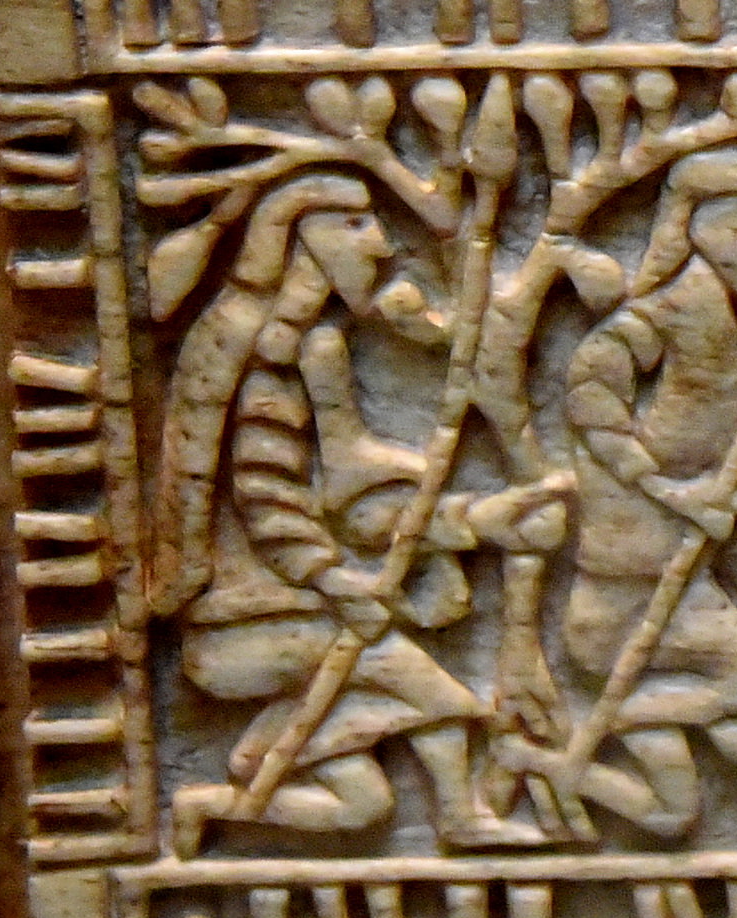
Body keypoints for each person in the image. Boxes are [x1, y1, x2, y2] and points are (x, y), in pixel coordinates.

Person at [160, 175, 563, 856]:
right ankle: (460, 818)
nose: (378, 245)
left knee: (364, 806)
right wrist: (336, 580)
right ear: (302, 241)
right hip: (251, 618)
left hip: (299, 606)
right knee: (429, 691)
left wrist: (468, 517)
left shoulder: (311, 347)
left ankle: (215, 799)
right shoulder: (262, 359)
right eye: (353, 225)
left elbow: (349, 483)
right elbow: (266, 495)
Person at [496, 150, 737, 844]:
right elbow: (592, 398)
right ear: (718, 227)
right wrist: (675, 494)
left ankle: (547, 761)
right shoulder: (662, 318)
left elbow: (715, 447)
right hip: (624, 596)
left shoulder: (715, 325)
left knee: (674, 809)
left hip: (673, 588)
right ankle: (586, 745)